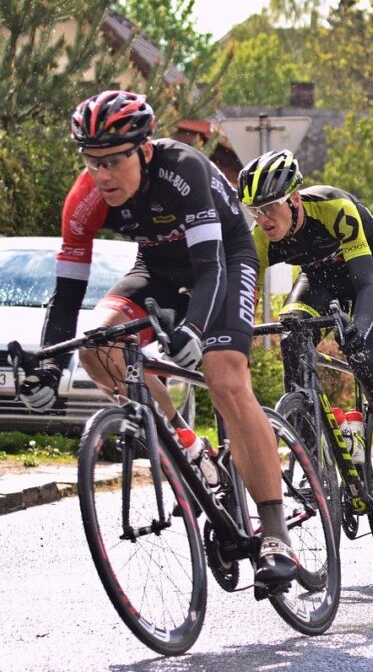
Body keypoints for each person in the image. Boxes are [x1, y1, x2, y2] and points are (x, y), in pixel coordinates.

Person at [19, 90, 299, 591]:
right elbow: (66, 296)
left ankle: (275, 532)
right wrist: (46, 370)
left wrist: (192, 329)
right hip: (157, 268)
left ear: (143, 150)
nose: (101, 175)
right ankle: (189, 448)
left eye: (112, 161)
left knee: (224, 377)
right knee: (97, 344)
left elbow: (211, 266)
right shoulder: (83, 201)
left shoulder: (182, 168)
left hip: (224, 261)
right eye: (91, 161)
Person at [238, 149, 373, 523]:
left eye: (270, 207)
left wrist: (359, 328)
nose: (263, 219)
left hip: (372, 272)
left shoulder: (333, 207)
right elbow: (245, 292)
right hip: (320, 279)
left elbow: (368, 284)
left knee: (363, 357)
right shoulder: (262, 238)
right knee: (291, 327)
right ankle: (310, 454)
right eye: (254, 211)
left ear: (293, 199)